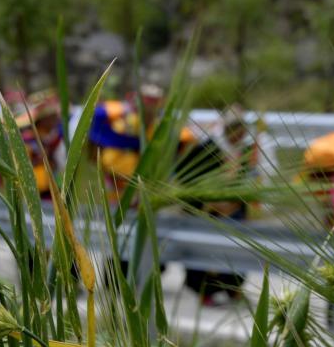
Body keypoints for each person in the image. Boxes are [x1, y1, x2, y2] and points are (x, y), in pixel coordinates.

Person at [176, 105, 259, 305]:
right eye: (234, 128)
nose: (238, 134)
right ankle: (205, 291)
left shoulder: (246, 151)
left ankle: (233, 289)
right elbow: (187, 177)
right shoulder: (207, 148)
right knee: (205, 250)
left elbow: (251, 178)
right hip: (207, 211)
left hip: (234, 210)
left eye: (241, 129)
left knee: (236, 251)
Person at [87, 84, 164, 199]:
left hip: (136, 175)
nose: (150, 105)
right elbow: (102, 135)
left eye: (154, 101)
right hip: (114, 172)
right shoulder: (119, 115)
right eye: (147, 99)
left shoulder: (157, 123)